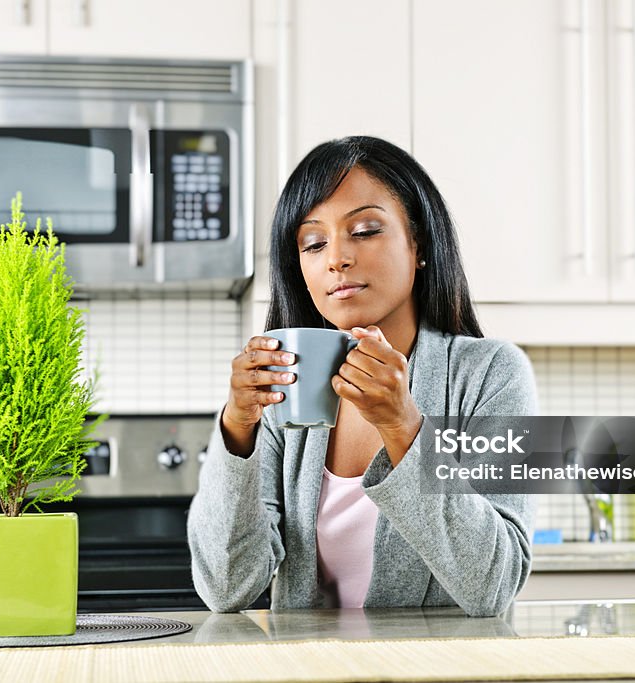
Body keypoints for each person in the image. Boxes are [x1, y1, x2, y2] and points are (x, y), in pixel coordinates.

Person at [187, 136, 538, 617]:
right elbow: (227, 589)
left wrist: (403, 428)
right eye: (313, 243)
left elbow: (493, 585)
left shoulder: (491, 374)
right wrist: (236, 428)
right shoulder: (285, 388)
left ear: (419, 244)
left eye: (366, 230)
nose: (336, 258)